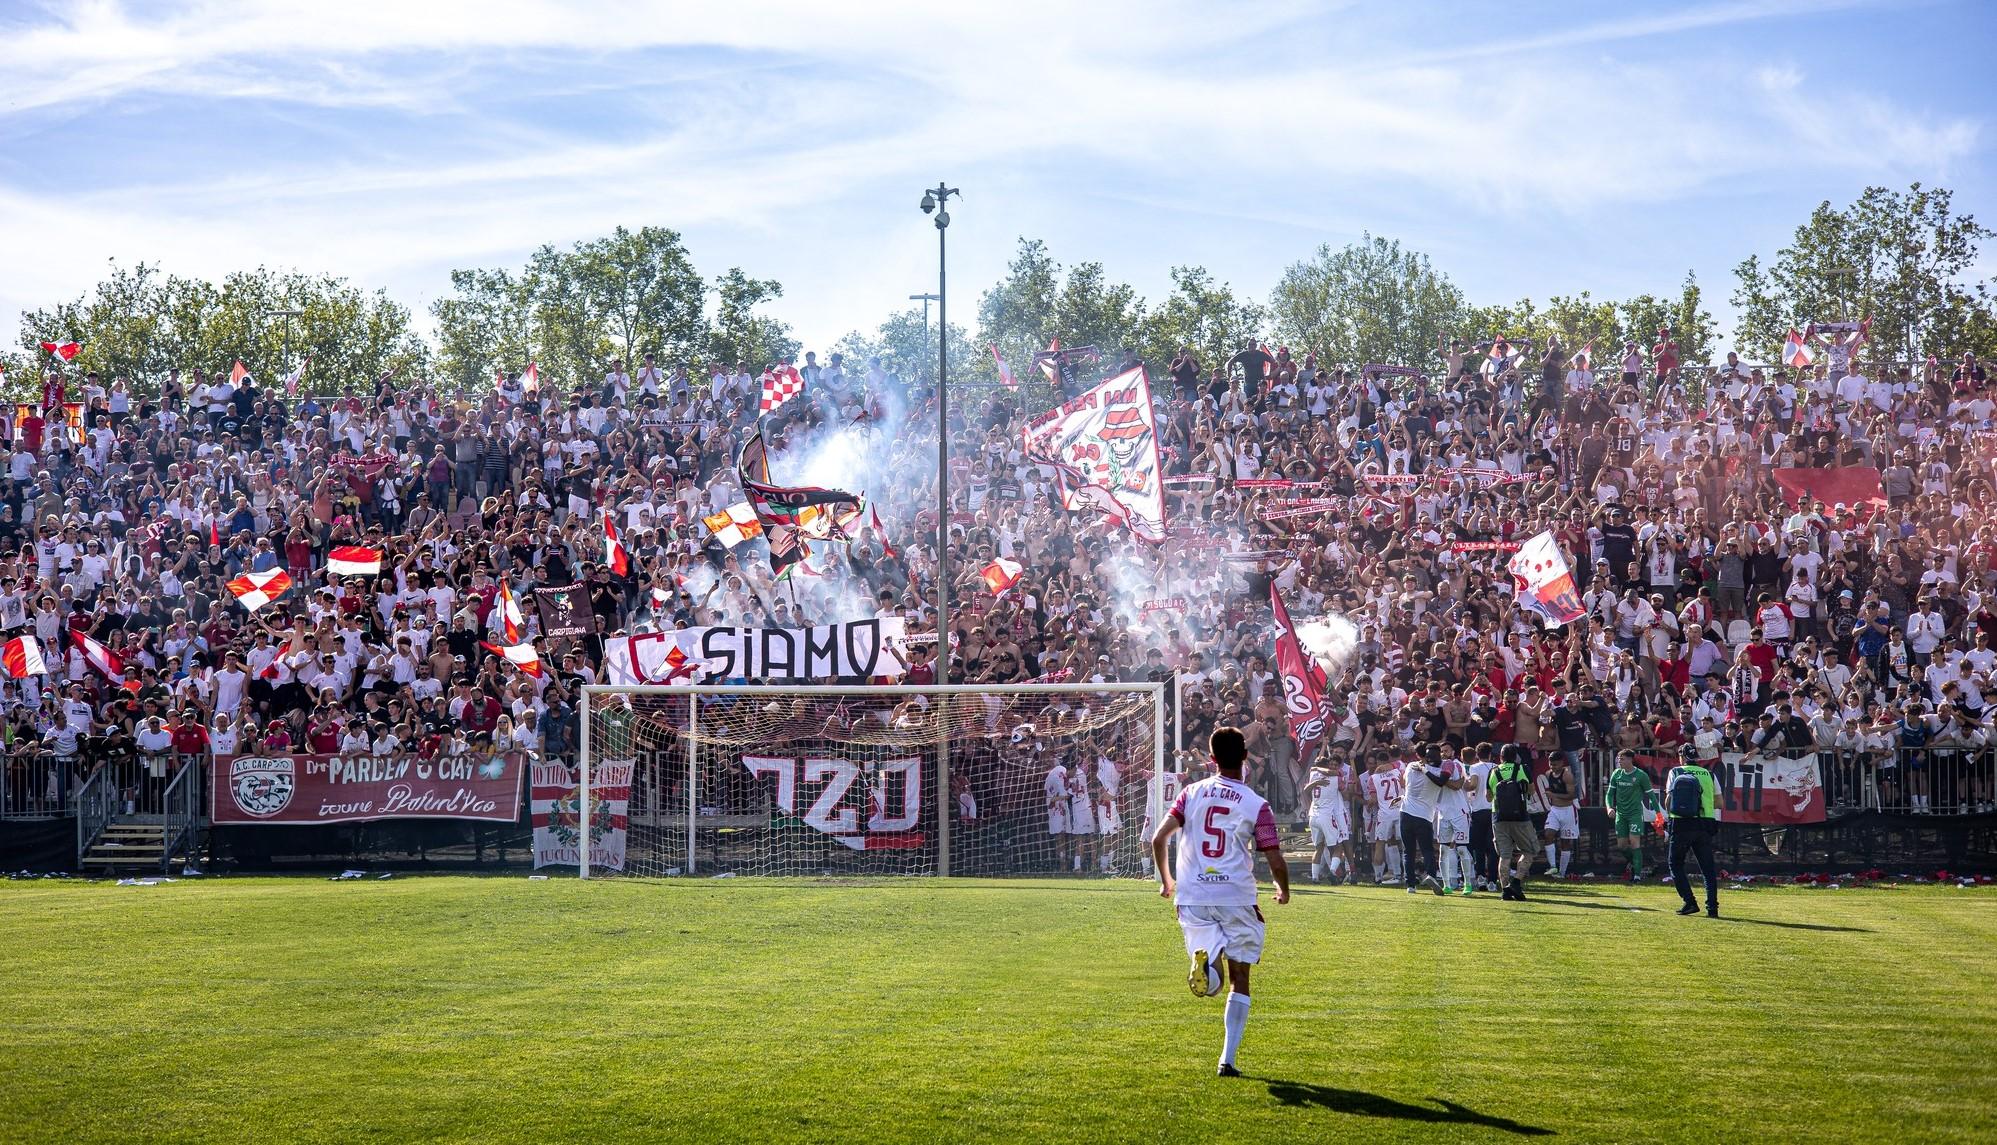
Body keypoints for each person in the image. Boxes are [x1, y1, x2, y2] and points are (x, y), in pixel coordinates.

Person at [1150, 726, 1290, 1078]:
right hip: (1236, 896)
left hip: (1193, 895)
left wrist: (1168, 880)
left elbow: (1158, 838)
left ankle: (1208, 966)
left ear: (1211, 759)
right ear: (1245, 757)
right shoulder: (1256, 805)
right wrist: (1282, 888)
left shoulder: (1190, 794)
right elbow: (1273, 857)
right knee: (1240, 976)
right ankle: (1227, 1059)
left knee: (1213, 978)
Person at [1665, 744, 1721, 917]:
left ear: (1681, 756)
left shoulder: (1675, 772)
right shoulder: (1710, 774)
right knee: (1708, 869)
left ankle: (1689, 902)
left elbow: (1669, 801)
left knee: (1675, 864)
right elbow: (1720, 803)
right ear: (1697, 757)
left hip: (1681, 822)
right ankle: (1712, 908)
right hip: (1705, 823)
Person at [1487, 744, 1538, 901]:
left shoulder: (1493, 771)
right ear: (1516, 756)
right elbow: (1531, 791)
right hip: (1520, 817)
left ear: (1500, 757)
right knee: (1530, 851)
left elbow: (1488, 797)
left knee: (1504, 855)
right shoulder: (1523, 769)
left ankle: (1505, 890)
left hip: (1499, 817)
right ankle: (1516, 882)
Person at [1399, 745, 1448, 894]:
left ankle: (1410, 885)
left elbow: (1403, 781)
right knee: (1427, 849)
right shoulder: (1438, 772)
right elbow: (1442, 781)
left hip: (1406, 812)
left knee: (1409, 851)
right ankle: (1431, 876)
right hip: (1424, 816)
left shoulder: (1410, 766)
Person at [1299, 755, 1354, 884]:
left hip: (1313, 815)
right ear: (1327, 765)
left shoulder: (1313, 774)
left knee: (1318, 848)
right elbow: (1335, 775)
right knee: (1338, 847)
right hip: (1326, 816)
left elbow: (1305, 791)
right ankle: (1332, 871)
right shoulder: (1335, 776)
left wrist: (1315, 774)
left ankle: (1314, 877)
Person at [1604, 749, 1655, 883]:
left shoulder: (1641, 775)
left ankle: (1637, 876)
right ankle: (1638, 863)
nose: (1619, 761)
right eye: (1619, 759)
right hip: (1621, 815)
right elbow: (1609, 794)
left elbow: (1651, 795)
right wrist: (1609, 807)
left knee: (1634, 842)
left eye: (1622, 759)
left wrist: (1659, 815)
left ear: (1630, 760)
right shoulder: (1616, 774)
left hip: (1635, 814)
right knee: (1621, 846)